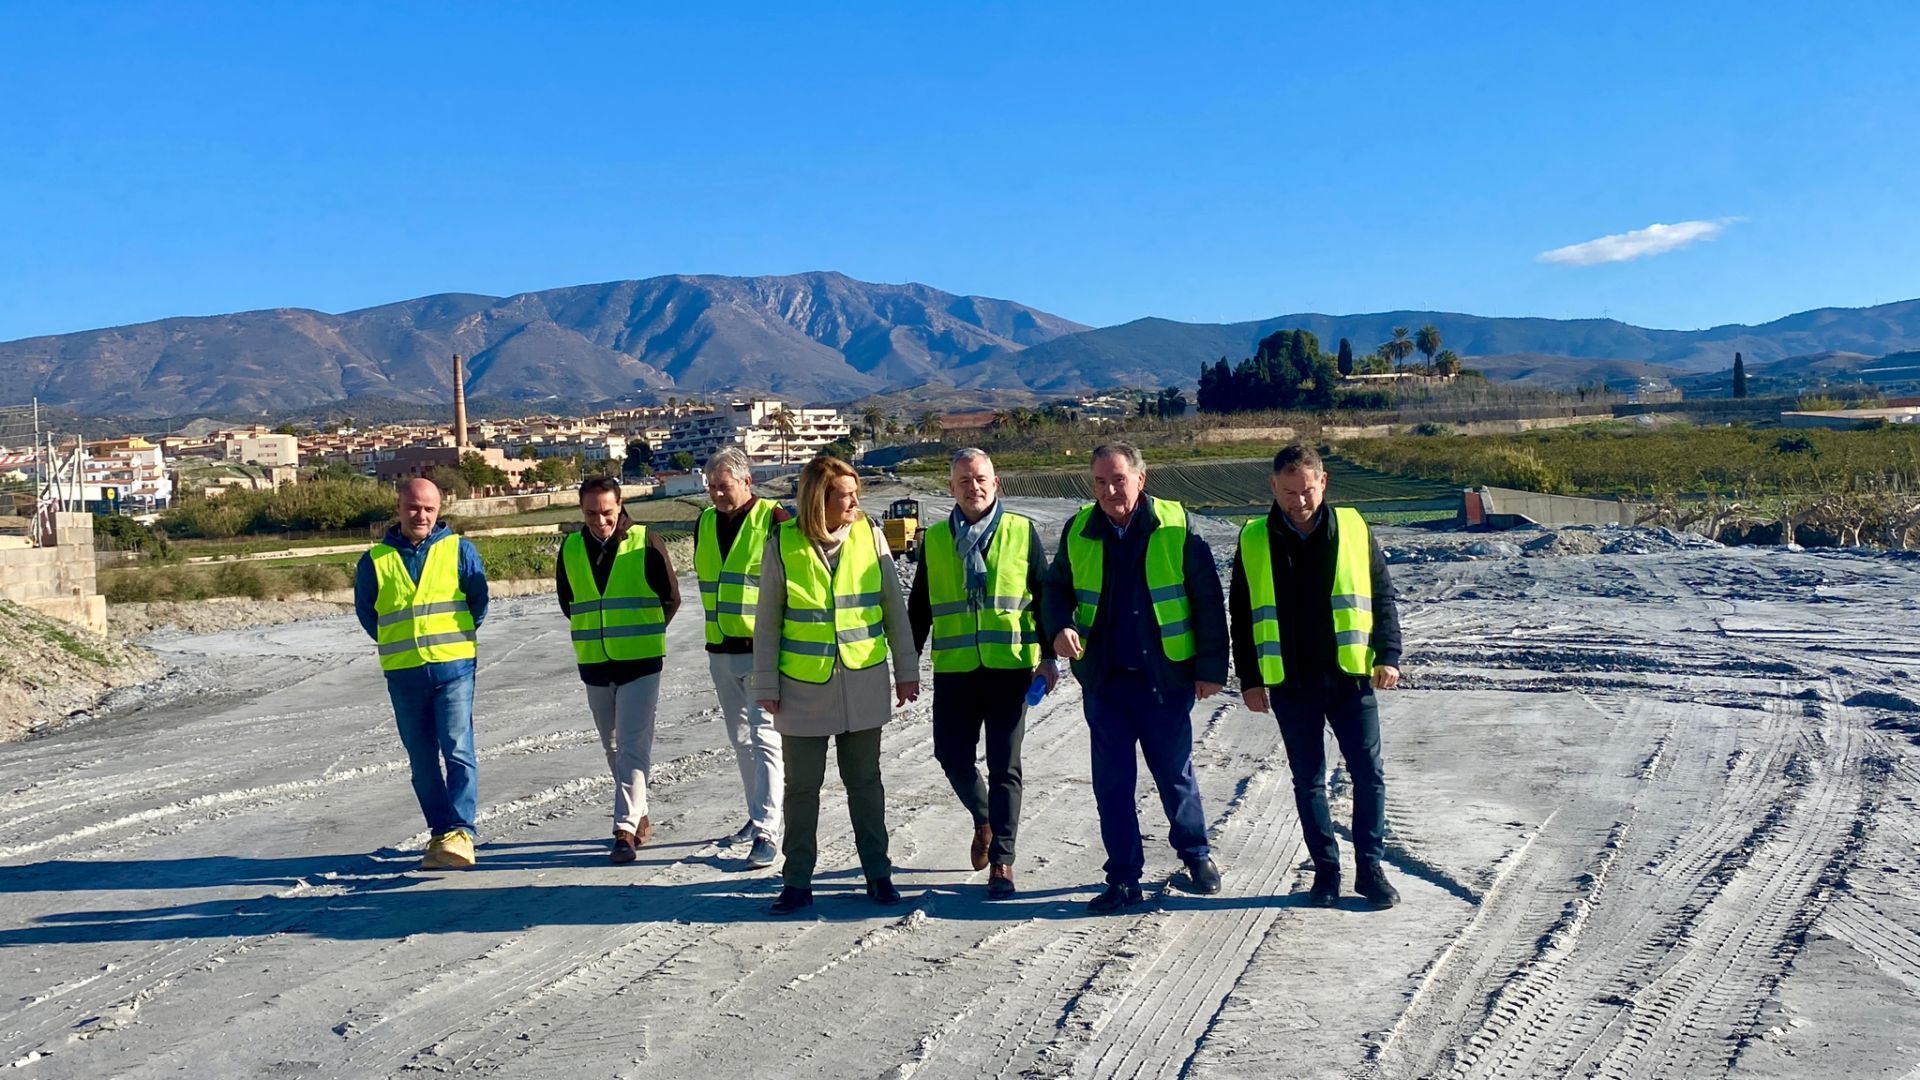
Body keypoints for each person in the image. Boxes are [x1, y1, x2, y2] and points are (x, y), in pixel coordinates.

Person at [1042, 442, 1228, 914]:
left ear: (1140, 480)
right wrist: (1059, 626)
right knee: (1113, 784)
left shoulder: (1175, 526)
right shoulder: (1079, 529)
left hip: (1163, 678)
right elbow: (1055, 588)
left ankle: (1196, 857)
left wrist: (1210, 668)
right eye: (1100, 482)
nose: (1109, 491)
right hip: (1105, 682)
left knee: (1174, 773)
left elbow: (1208, 600)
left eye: (1118, 480)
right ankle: (1124, 877)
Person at [1230, 443, 1404, 908]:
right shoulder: (1252, 539)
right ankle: (1326, 873)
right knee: (1308, 780)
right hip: (1291, 682)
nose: (1299, 501)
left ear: (1322, 482)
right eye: (1289, 492)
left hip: (1350, 678)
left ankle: (1371, 869)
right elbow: (1242, 615)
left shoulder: (1352, 527)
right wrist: (1249, 678)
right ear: (1273, 487)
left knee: (1369, 775)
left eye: (1306, 490)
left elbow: (1381, 595)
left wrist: (1388, 655)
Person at [754, 455, 920, 914]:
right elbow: (767, 623)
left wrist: (906, 672)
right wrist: (765, 683)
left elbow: (894, 609)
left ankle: (878, 874)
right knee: (801, 789)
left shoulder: (870, 535)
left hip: (863, 683)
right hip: (801, 688)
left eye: (855, 494)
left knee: (865, 783)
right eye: (843, 495)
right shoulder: (782, 543)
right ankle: (797, 881)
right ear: (817, 499)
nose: (854, 502)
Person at [908, 448, 1054, 899]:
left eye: (981, 479)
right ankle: (984, 816)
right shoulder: (934, 540)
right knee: (950, 756)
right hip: (955, 670)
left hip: (1009, 668)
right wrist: (906, 665)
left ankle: (1003, 863)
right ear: (950, 488)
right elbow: (920, 607)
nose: (974, 487)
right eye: (964, 481)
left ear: (997, 483)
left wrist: (1049, 657)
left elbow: (1044, 596)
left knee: (1004, 765)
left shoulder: (1020, 532)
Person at [354, 477, 489, 870]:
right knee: (422, 760)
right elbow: (370, 615)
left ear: (439, 510)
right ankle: (440, 831)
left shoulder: (460, 551)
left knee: (457, 748)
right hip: (404, 673)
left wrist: (453, 641)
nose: (421, 515)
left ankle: (461, 833)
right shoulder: (375, 561)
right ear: (398, 508)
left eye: (429, 508)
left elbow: (478, 604)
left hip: (454, 668)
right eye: (414, 507)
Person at [555, 474, 681, 864]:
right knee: (612, 748)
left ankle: (623, 830)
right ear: (581, 510)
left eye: (607, 512)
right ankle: (639, 813)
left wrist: (645, 633)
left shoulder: (646, 542)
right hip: (594, 662)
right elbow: (568, 601)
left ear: (620, 504)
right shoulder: (571, 548)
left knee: (632, 745)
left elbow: (670, 598)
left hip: (640, 662)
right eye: (591, 513)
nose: (600, 520)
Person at [694, 447, 791, 869]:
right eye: (712, 487)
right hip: (721, 652)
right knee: (741, 741)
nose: (717, 494)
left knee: (766, 739)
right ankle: (757, 815)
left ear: (746, 482)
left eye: (724, 486)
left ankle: (769, 831)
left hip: (764, 654)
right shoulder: (704, 522)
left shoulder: (775, 520)